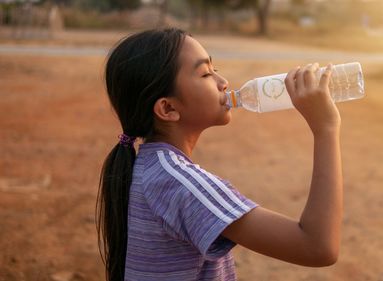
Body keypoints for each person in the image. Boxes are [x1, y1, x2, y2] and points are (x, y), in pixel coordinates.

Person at [96, 28, 343, 281]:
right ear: (168, 108)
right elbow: (317, 247)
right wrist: (325, 129)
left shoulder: (151, 168)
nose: (223, 82)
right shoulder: (181, 183)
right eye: (205, 73)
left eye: (215, 68)